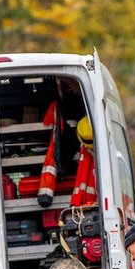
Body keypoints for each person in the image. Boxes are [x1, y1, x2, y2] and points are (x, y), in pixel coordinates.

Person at [38, 77, 90, 207]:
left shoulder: (61, 107)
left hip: (81, 202)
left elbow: (46, 122)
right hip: (84, 203)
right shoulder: (64, 107)